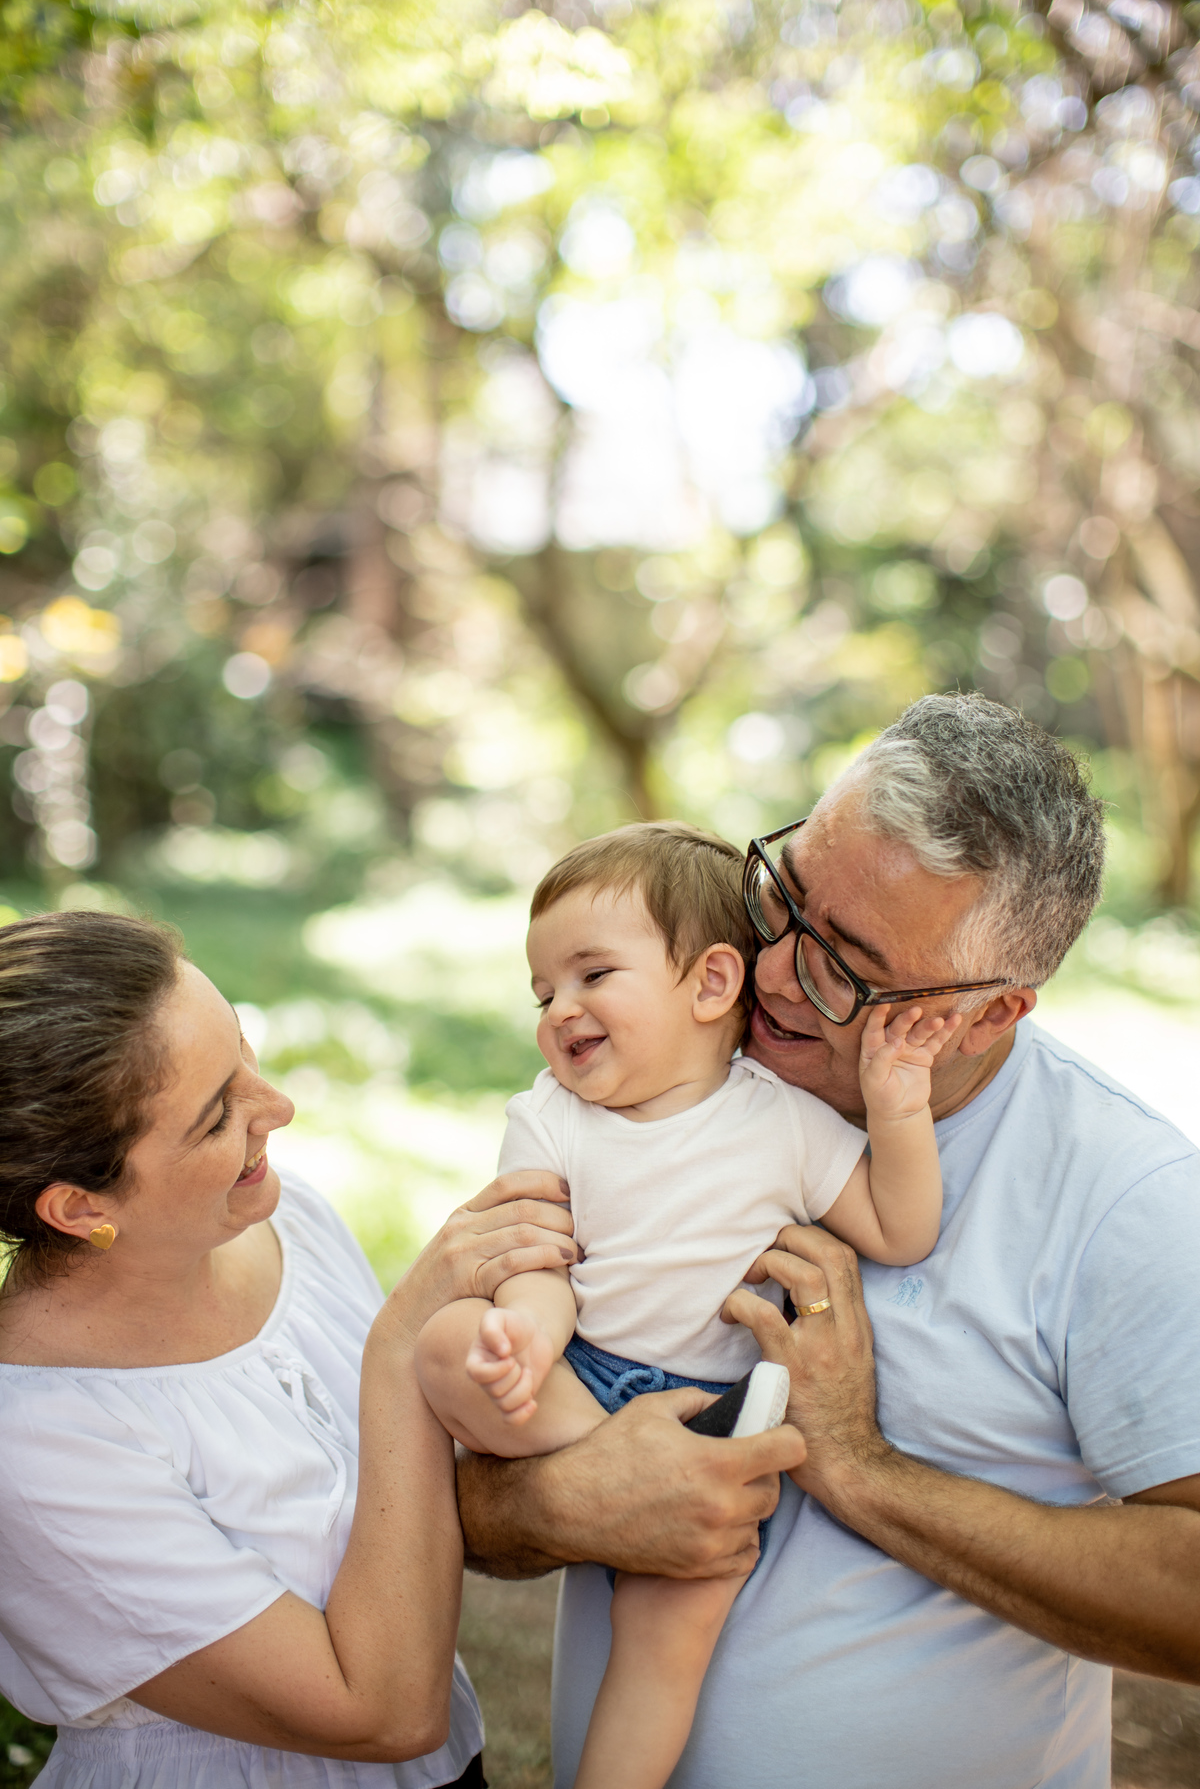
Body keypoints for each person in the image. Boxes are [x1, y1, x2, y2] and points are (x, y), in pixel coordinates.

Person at [456, 693, 1200, 1789]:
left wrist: (863, 1469)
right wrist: (556, 1500)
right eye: (783, 896)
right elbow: (464, 1494)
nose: (764, 972)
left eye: (842, 966)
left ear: (985, 1014)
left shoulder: (1128, 1201)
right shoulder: (636, 1093)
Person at [416, 822, 960, 1789]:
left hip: (711, 1417)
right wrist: (526, 1340)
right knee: (451, 1342)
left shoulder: (784, 1122)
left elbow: (898, 1226)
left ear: (712, 985)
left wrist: (898, 1106)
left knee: (664, 1644)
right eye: (543, 991)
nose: (558, 1010)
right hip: (574, 1380)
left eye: (591, 976)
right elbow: (538, 1263)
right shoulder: (548, 1116)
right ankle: (610, 1470)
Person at [0, 909, 586, 1789]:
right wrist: (403, 1353)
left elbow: (409, 1509)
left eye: (242, 1051)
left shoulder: (285, 1216)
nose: (278, 1108)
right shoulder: (38, 1445)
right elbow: (382, 1711)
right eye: (214, 1119)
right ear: (82, 1209)